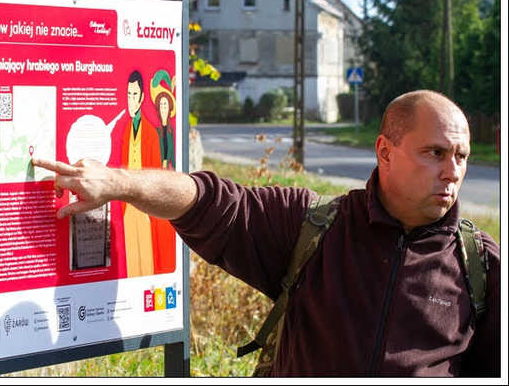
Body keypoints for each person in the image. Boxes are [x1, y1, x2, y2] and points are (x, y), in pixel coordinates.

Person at [33, 90, 499, 376]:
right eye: (434, 153)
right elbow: (207, 199)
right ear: (385, 151)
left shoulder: (481, 267)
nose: (451, 171)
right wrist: (119, 183)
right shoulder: (315, 225)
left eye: (460, 155)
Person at [120, 70, 175, 277]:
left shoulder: (151, 133)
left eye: (134, 95)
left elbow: (155, 175)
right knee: (131, 257)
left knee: (146, 257)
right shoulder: (126, 129)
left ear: (142, 97)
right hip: (128, 206)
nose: (131, 101)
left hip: (144, 205)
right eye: (128, 95)